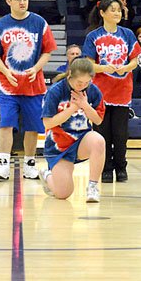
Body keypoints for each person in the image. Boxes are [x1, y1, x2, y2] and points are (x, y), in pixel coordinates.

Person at [0, 0, 57, 181]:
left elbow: (47, 52)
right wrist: (5, 72)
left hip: (34, 86)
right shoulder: (1, 25)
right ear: (9, 1)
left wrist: (36, 68)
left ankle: (30, 164)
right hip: (8, 86)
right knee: (6, 124)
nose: (22, 2)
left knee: (33, 126)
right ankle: (3, 165)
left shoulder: (39, 22)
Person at [83, 0, 141, 183]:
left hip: (122, 91)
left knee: (120, 133)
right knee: (102, 134)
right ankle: (105, 168)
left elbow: (135, 60)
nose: (117, 13)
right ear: (102, 13)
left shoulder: (128, 34)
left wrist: (126, 68)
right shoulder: (93, 37)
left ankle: (121, 167)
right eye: (113, 9)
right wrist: (103, 68)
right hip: (100, 93)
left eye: (119, 10)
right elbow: (89, 65)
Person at [38, 58, 106, 202]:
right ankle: (47, 175)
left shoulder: (92, 90)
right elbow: (48, 123)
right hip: (59, 146)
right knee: (63, 193)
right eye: (79, 83)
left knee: (99, 141)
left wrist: (85, 105)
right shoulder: (55, 91)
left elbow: (98, 120)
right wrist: (73, 109)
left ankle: (93, 187)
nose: (82, 86)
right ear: (70, 76)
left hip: (81, 140)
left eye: (86, 83)